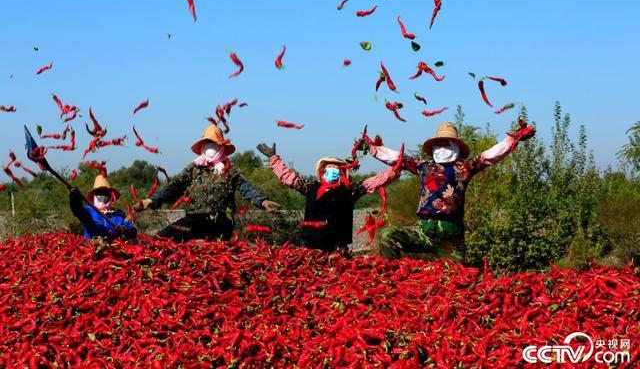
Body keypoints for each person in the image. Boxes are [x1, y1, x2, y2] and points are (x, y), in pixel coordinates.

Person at [368, 121, 535, 262]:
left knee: (456, 279)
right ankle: (396, 277)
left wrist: (511, 140)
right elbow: (397, 158)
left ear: (456, 146)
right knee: (387, 236)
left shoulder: (465, 168)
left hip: (450, 235)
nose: (442, 148)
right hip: (423, 230)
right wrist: (373, 149)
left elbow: (488, 156)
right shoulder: (423, 167)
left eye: (447, 143)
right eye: (439, 144)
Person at [137, 124, 279, 241]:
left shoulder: (229, 170)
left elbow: (246, 188)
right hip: (193, 220)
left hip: (220, 222)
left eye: (213, 143)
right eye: (207, 143)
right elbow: (174, 188)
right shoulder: (194, 168)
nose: (210, 146)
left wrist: (263, 202)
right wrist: (150, 200)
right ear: (203, 146)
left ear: (221, 146)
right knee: (157, 241)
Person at [256, 142, 400, 251]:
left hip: (338, 246)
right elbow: (289, 178)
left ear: (343, 173)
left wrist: (396, 168)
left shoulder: (350, 190)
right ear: (322, 172)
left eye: (336, 169)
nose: (332, 171)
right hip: (312, 245)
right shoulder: (310, 188)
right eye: (329, 169)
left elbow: (372, 182)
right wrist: (273, 158)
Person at [69, 174, 137, 241]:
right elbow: (78, 210)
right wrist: (75, 199)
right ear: (94, 195)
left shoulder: (119, 214)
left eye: (105, 193)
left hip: (114, 249)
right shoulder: (88, 210)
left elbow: (132, 229)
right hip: (91, 248)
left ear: (110, 196)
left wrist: (124, 229)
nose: (103, 196)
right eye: (100, 193)